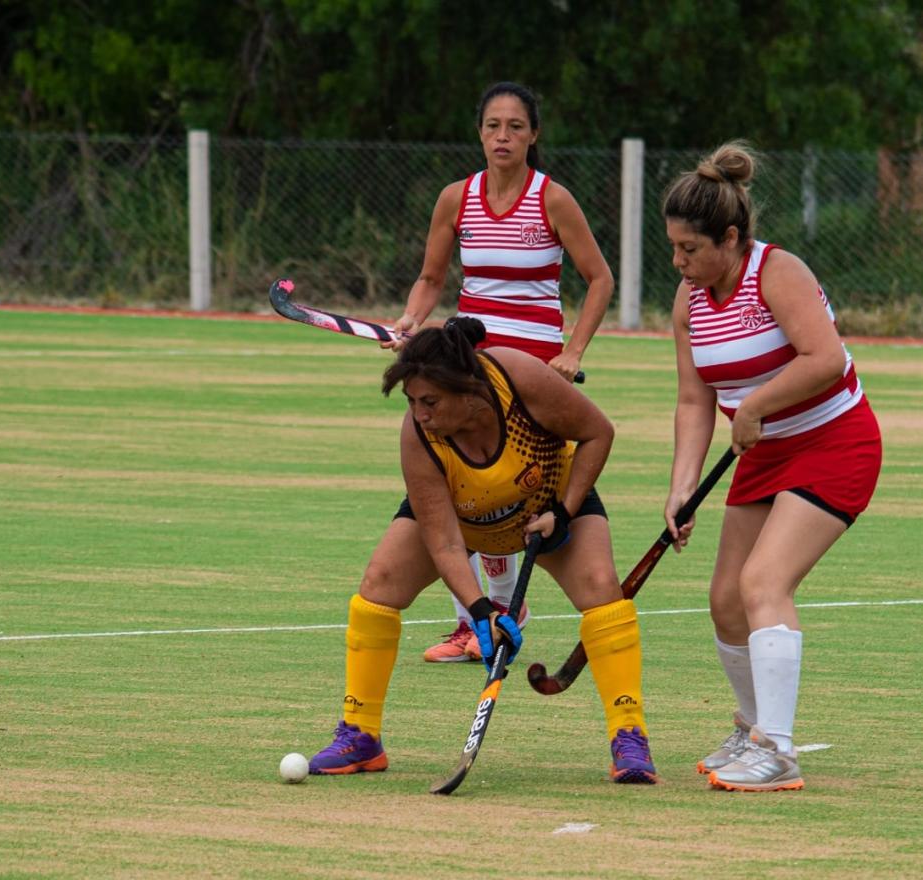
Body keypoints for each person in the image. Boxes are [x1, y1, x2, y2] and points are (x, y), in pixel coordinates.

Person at [306, 318, 658, 784]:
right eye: (412, 402)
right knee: (379, 584)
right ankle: (360, 734)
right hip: (462, 517)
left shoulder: (520, 379)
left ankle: (629, 736)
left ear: (468, 389)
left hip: (546, 507)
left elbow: (598, 432)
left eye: (430, 401)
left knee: (600, 589)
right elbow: (445, 541)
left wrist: (565, 511)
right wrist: (479, 611)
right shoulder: (420, 437)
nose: (420, 414)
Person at [661, 142, 881, 792]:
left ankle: (778, 753)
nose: (678, 262)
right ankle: (753, 729)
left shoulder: (776, 273)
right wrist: (681, 491)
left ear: (730, 238)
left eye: (690, 249)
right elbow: (694, 398)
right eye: (673, 248)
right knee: (726, 600)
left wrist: (755, 402)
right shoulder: (689, 299)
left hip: (834, 442)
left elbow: (827, 359)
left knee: (762, 582)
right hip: (763, 454)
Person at [388, 81, 615, 662]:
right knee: (460, 489)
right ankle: (480, 620)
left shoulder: (552, 199)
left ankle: (496, 611)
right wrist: (412, 321)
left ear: (533, 135)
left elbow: (599, 279)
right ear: (480, 133)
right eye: (493, 126)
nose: (503, 137)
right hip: (470, 372)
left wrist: (573, 352)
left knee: (512, 497)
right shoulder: (455, 198)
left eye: (516, 126)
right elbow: (432, 279)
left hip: (532, 378)